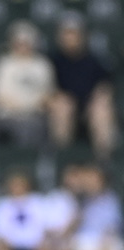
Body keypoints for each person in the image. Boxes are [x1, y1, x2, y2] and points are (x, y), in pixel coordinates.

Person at [47, 13, 115, 160]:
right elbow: (45, 87)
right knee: (62, 107)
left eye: (74, 33)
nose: (71, 38)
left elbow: (105, 85)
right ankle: (62, 160)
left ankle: (104, 161)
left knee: (102, 110)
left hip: (89, 107)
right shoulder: (52, 60)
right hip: (63, 109)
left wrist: (101, 96)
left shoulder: (93, 60)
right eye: (67, 33)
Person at [0, 20, 55, 149]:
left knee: (34, 125)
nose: (22, 46)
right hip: (7, 116)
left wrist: (32, 107)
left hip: (36, 115)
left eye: (26, 43)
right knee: (22, 126)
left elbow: (48, 94)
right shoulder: (4, 64)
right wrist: (23, 108)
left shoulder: (43, 65)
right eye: (19, 43)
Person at [60, 164, 124, 250]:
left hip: (104, 241)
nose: (89, 182)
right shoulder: (78, 199)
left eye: (93, 178)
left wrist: (105, 245)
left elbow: (112, 228)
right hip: (82, 241)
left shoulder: (110, 200)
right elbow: (69, 229)